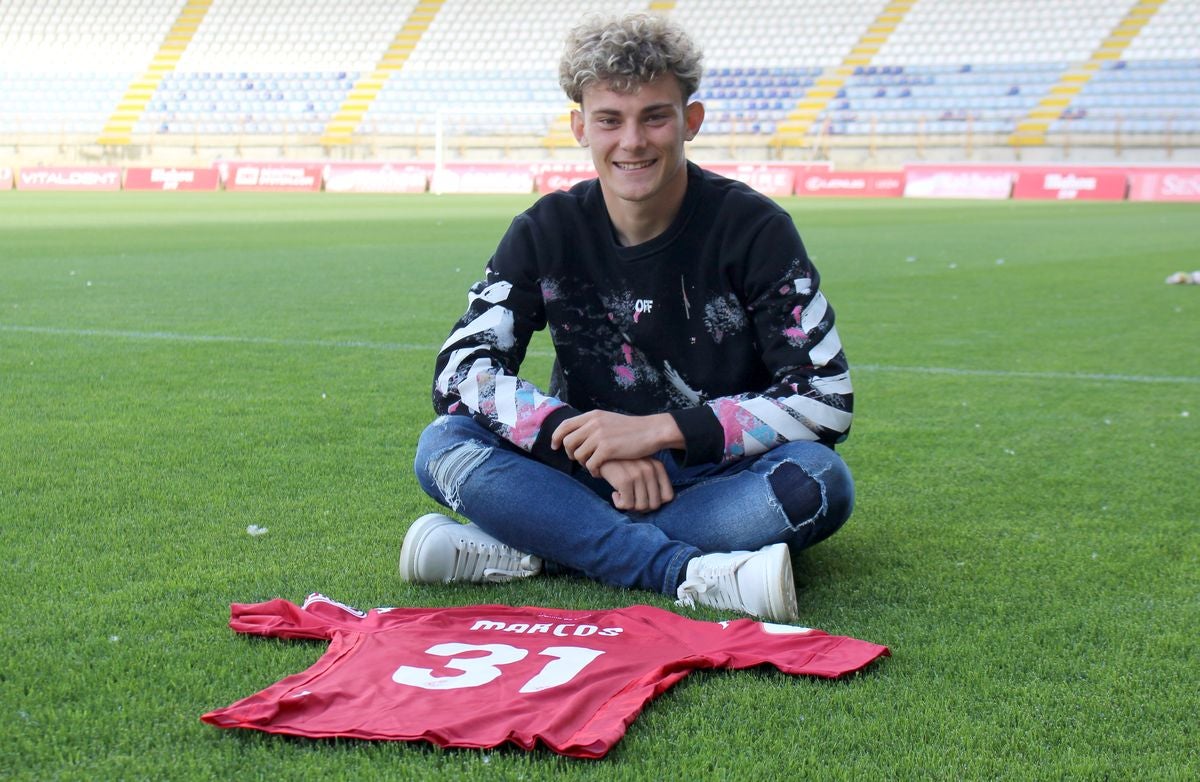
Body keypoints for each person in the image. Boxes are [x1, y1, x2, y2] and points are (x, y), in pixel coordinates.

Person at [401, 13, 854, 623]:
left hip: (710, 477)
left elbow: (826, 397)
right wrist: (585, 442)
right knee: (443, 446)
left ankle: (538, 545)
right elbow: (460, 372)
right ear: (580, 126)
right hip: (583, 472)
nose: (632, 142)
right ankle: (683, 572)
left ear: (691, 120)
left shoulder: (754, 230)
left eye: (655, 117)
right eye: (610, 120)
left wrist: (661, 430)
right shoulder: (547, 229)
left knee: (819, 482)